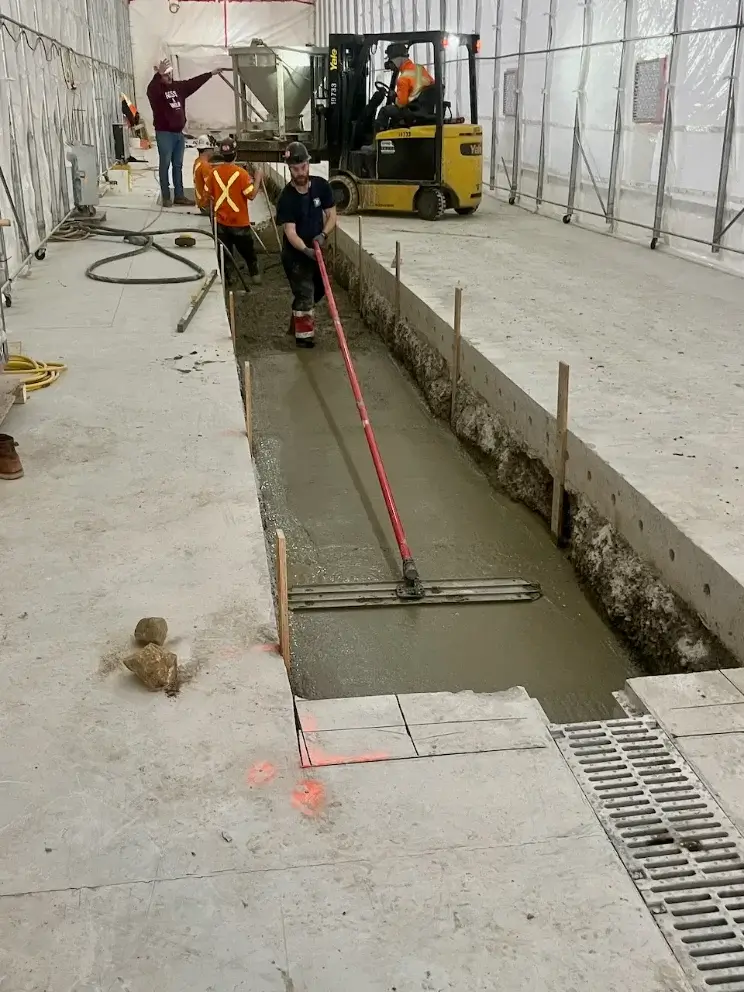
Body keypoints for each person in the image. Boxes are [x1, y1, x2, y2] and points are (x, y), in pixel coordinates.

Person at [275, 141, 336, 349]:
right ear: (289, 168)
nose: (300, 172)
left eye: (303, 167)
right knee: (305, 293)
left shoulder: (321, 186)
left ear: (308, 164)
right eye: (295, 169)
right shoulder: (286, 199)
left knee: (319, 290)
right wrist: (305, 249)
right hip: (295, 256)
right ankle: (304, 339)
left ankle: (296, 321)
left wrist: (323, 234)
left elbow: (332, 214)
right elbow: (290, 231)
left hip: (317, 249)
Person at [146, 58, 222, 207]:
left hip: (178, 134)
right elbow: (151, 90)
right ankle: (166, 196)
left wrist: (210, 74)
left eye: (170, 75)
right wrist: (157, 76)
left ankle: (179, 195)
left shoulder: (178, 87)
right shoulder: (157, 91)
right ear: (160, 76)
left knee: (178, 165)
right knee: (165, 165)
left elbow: (193, 83)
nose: (169, 78)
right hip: (164, 133)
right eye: (166, 75)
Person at [207, 136, 263, 286]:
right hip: (239, 222)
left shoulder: (214, 173)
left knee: (225, 253)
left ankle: (228, 279)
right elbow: (251, 195)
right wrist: (257, 179)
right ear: (236, 154)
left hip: (221, 222)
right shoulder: (242, 174)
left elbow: (208, 194)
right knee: (248, 252)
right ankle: (255, 276)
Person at [377, 42, 435, 132]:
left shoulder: (403, 78)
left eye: (391, 60)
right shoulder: (420, 69)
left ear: (397, 59)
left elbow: (401, 103)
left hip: (413, 111)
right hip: (425, 109)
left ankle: (379, 138)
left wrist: (393, 98)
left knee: (384, 111)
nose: (390, 64)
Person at [193, 135, 214, 214]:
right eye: (212, 149)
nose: (213, 151)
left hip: (201, 204)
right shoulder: (205, 166)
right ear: (207, 150)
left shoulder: (197, 161)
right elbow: (212, 186)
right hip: (207, 205)